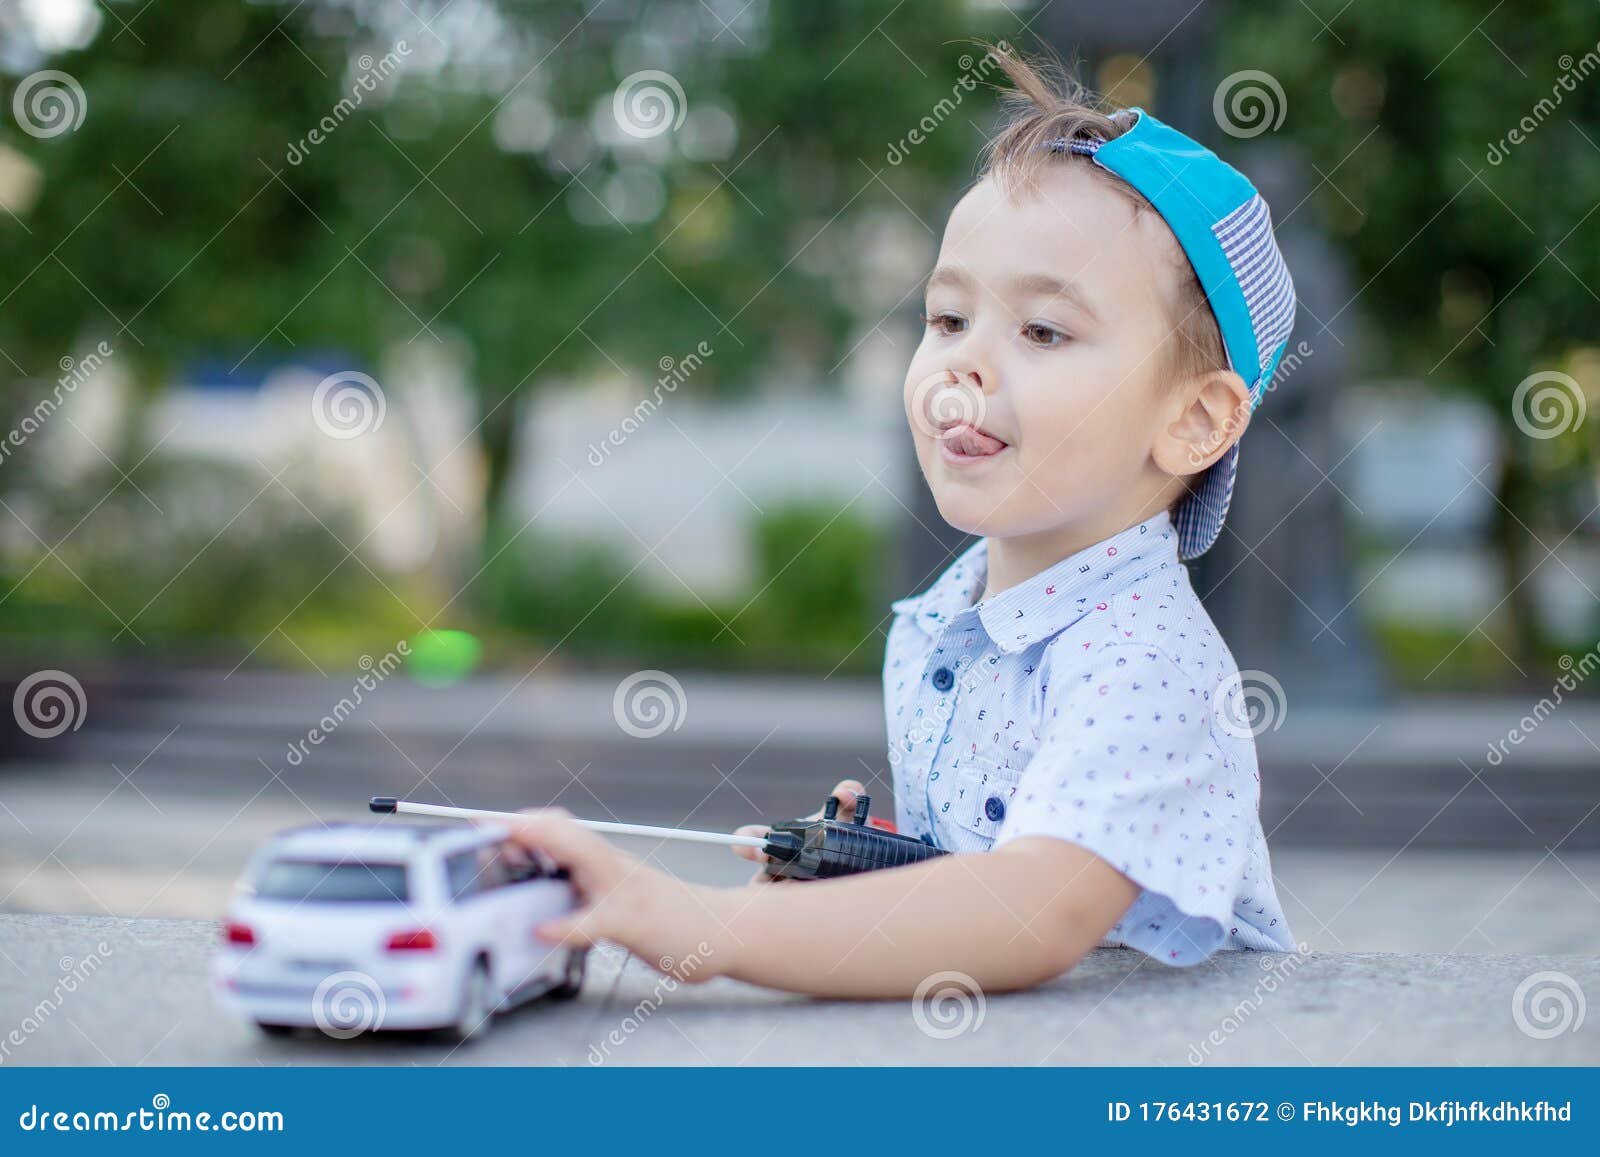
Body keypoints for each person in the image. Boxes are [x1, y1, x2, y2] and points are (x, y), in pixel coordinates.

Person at [506, 44, 1300, 997]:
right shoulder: (945, 617)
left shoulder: (1147, 659)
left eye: (1043, 330)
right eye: (949, 318)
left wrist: (708, 924)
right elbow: (981, 888)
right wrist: (870, 871)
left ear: (1195, 419)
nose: (963, 365)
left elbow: (1030, 910)